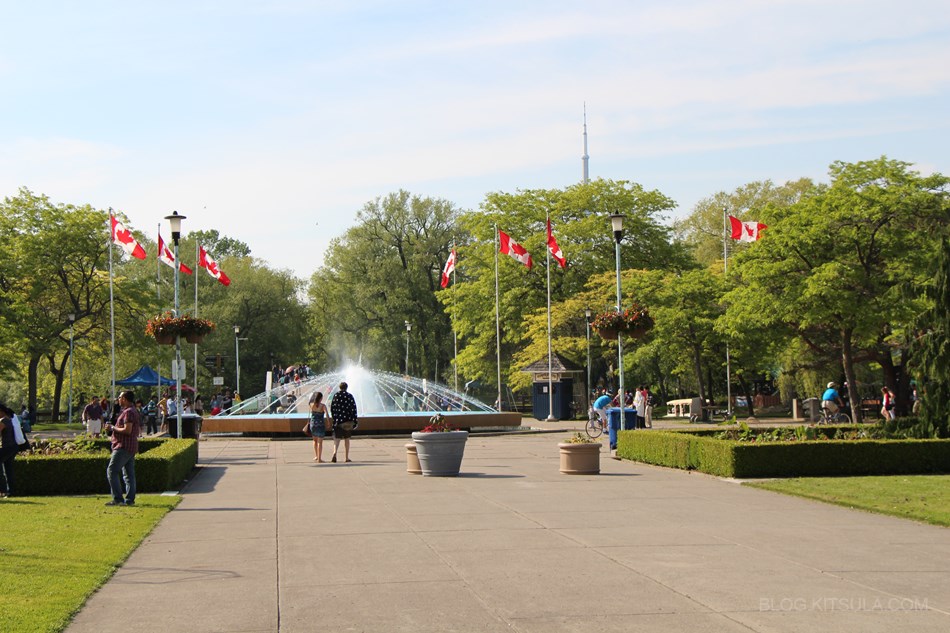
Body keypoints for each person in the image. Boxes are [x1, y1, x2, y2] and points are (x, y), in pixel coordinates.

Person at [104, 390, 141, 506]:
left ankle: (118, 499)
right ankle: (130, 500)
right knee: (128, 474)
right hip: (130, 446)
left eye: (119, 397)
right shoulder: (130, 411)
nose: (118, 399)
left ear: (124, 399)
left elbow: (127, 430)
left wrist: (112, 428)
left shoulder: (129, 412)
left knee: (112, 471)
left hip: (123, 446)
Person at [329, 382, 358, 463]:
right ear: (346, 387)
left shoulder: (336, 395)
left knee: (337, 439)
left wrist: (334, 419)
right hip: (348, 421)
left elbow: (332, 408)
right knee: (347, 439)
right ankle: (346, 457)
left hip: (338, 421)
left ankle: (334, 454)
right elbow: (353, 408)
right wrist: (355, 421)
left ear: (339, 387)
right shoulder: (349, 396)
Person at [0, 403, 19, 498]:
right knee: (9, 469)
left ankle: (3, 490)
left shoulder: (3, 420)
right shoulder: (9, 419)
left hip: (6, 447)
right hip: (12, 447)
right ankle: (11, 491)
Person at [308, 391, 331, 462]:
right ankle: (319, 458)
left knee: (315, 441)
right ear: (321, 398)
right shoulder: (323, 406)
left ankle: (316, 456)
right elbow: (327, 414)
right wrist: (328, 422)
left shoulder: (311, 404)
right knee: (320, 442)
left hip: (313, 424)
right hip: (320, 425)